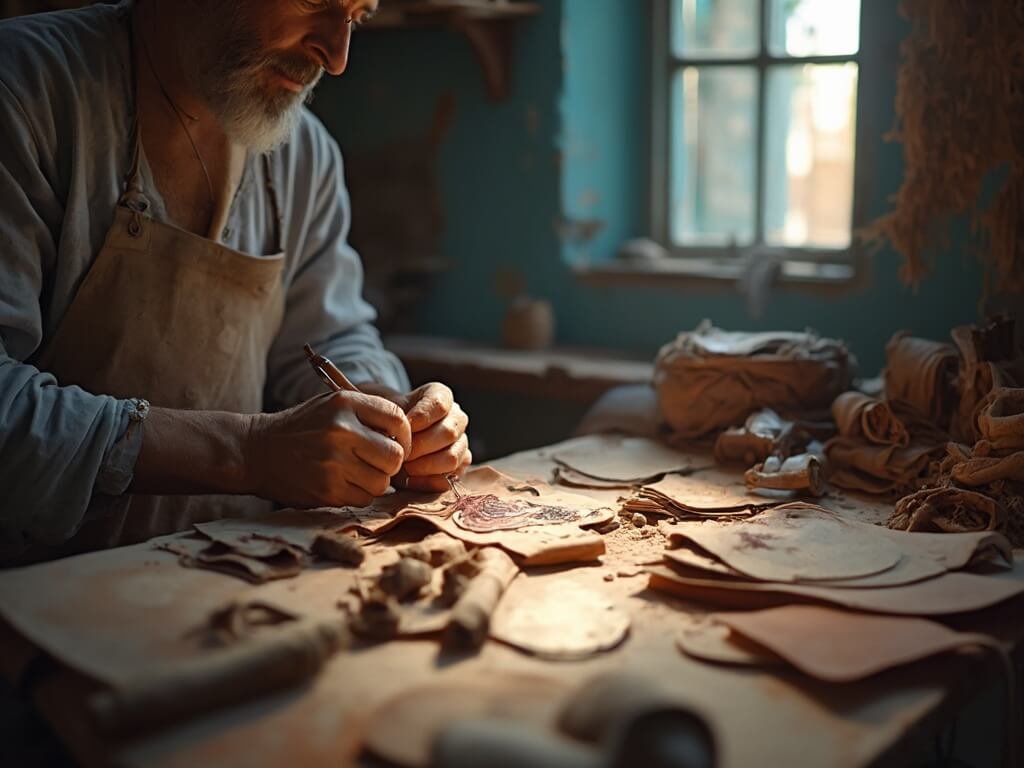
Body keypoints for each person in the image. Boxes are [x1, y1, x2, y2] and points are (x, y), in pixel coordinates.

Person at [0, 0, 471, 564]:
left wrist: (382, 409)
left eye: (357, 16)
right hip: (39, 594)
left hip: (230, 576)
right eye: (317, 3)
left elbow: (330, 335)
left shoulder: (303, 153)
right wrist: (244, 450)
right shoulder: (24, 93)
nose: (337, 55)